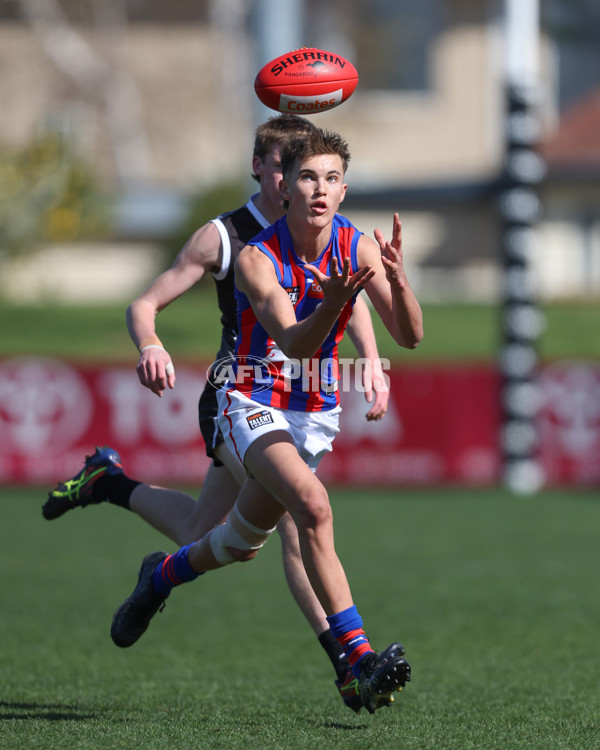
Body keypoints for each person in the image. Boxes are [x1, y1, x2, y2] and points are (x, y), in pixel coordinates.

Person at [42, 114, 390, 713]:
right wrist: (151, 343)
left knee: (210, 538)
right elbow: (144, 303)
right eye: (285, 166)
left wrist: (374, 359)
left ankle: (110, 482)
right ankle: (349, 662)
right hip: (242, 390)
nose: (297, 182)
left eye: (307, 169)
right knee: (296, 513)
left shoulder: (324, 226)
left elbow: (345, 294)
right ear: (260, 167)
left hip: (301, 392)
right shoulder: (227, 236)